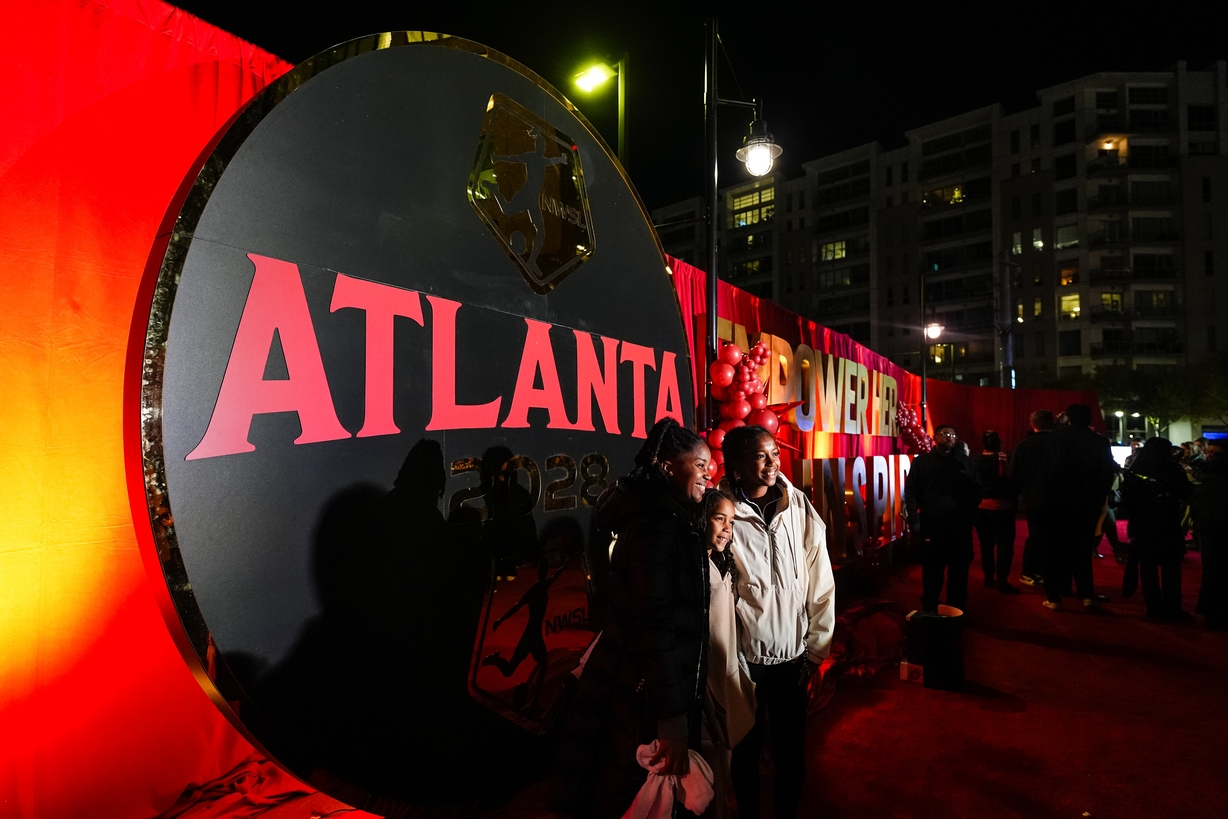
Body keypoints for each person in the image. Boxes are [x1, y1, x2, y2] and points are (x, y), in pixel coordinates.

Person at [552, 419, 712, 819]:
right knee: (628, 789)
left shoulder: (667, 517)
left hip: (641, 688)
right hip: (639, 693)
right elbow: (654, 624)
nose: (710, 474)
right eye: (701, 464)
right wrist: (671, 717)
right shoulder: (657, 526)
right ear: (669, 466)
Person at [720, 425, 835, 819]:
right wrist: (727, 659)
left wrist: (817, 649)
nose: (772, 463)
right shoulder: (721, 514)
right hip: (744, 664)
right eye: (760, 456)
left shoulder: (797, 506)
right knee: (746, 753)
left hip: (793, 658)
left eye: (774, 453)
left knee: (791, 753)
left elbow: (820, 579)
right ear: (736, 467)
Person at [699, 490, 756, 819]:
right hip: (706, 686)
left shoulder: (720, 562)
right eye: (719, 519)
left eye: (731, 522)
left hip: (727, 677)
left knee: (724, 766)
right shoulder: (695, 566)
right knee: (711, 773)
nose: (726, 529)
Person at [1032, 404, 1116, 611]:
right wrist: (1096, 500)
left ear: (1068, 418)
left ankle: (1055, 597)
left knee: (1053, 551)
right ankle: (1086, 595)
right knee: (1082, 551)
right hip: (1085, 505)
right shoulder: (1100, 442)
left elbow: (1044, 471)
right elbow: (1106, 474)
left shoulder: (1053, 438)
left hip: (1055, 503)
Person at [905, 425, 983, 613]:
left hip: (960, 527)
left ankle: (956, 608)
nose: (949, 438)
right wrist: (914, 520)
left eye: (953, 435)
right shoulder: (922, 463)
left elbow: (977, 490)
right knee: (932, 571)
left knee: (959, 571)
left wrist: (969, 515)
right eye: (945, 434)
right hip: (932, 525)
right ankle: (930, 607)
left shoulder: (966, 462)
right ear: (935, 437)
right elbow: (911, 492)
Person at [1123, 437, 1195, 620]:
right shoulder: (1173, 469)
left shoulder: (1136, 470)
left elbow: (1128, 500)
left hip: (1143, 523)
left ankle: (1153, 607)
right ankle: (1172, 607)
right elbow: (1187, 494)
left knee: (1148, 567)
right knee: (1171, 567)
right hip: (1167, 522)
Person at [1010, 409, 1055, 587]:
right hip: (1057, 497)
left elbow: (1013, 475)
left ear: (1032, 424)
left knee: (1035, 536)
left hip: (1032, 498)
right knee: (1052, 537)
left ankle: (1029, 572)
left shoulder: (1023, 446)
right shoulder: (1060, 444)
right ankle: (1047, 572)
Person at [972, 430, 1019, 593]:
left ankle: (988, 578)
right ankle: (1002, 579)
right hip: (1003, 508)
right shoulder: (1006, 459)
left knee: (986, 545)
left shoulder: (976, 460)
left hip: (981, 508)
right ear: (998, 443)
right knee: (1004, 545)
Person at [1195, 440, 1228, 630]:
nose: (1209, 456)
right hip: (1211, 534)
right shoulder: (1207, 478)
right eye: (1208, 453)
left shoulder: (1207, 480)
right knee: (1214, 573)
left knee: (1213, 574)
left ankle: (1212, 613)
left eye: (1214, 453)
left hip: (1210, 533)